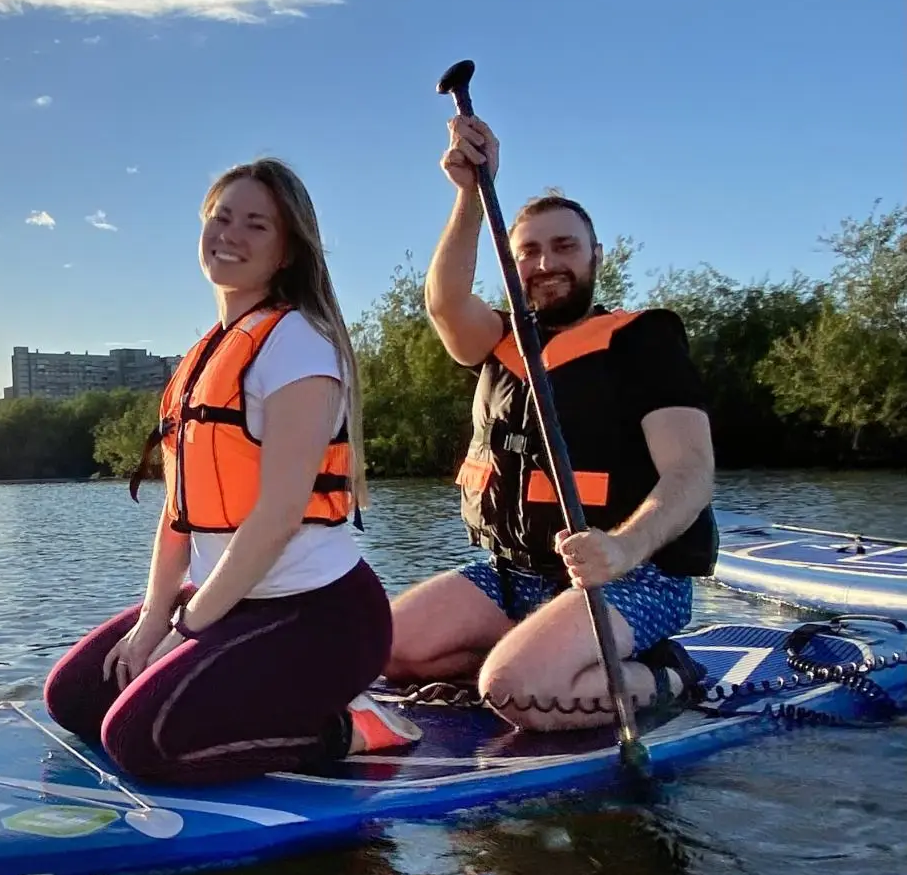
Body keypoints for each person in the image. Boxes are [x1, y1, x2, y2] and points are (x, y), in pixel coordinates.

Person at [44, 159, 401, 785]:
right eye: (221, 217)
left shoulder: (298, 345)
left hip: (319, 618)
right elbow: (178, 514)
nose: (230, 234)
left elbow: (278, 516)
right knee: (75, 698)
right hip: (233, 605)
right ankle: (231, 688)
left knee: (139, 741)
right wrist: (155, 619)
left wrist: (186, 632)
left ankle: (350, 725)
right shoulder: (204, 356)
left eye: (256, 225)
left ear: (287, 251)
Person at [386, 112, 717, 731]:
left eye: (564, 246)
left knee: (515, 692)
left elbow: (691, 473)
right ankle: (536, 649)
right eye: (529, 251)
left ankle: (670, 674)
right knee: (388, 649)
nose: (545, 263)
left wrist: (624, 546)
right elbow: (445, 302)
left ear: (596, 254)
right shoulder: (501, 342)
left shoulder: (643, 341)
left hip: (630, 578)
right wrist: (467, 193)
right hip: (517, 575)